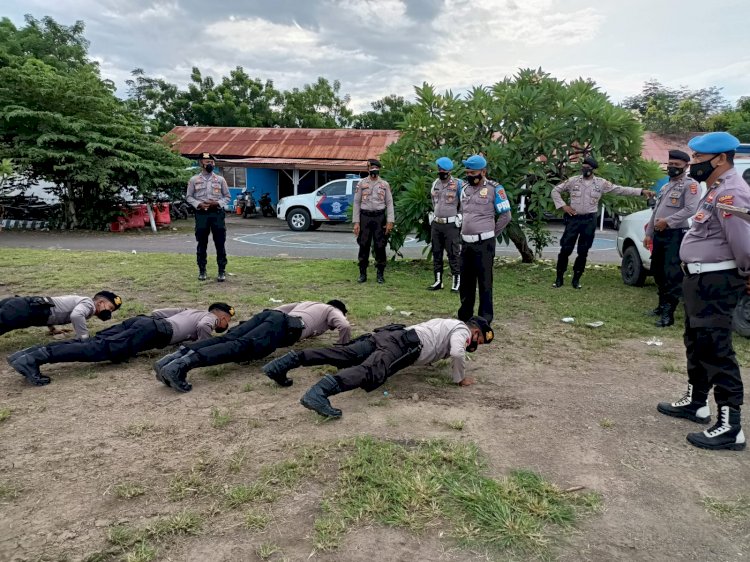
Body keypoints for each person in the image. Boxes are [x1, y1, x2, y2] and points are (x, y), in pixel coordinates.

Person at [657, 131, 750, 451]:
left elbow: (743, 242)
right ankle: (697, 403)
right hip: (698, 280)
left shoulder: (731, 193)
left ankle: (730, 425)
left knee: (716, 347)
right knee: (696, 342)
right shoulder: (715, 190)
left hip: (716, 281)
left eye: (698, 159)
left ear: (721, 158)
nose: (693, 163)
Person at [291, 316, 493, 418]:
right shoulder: (463, 331)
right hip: (403, 345)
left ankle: (285, 362)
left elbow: (434, 340)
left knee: (345, 354)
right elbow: (458, 352)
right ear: (475, 332)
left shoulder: (448, 322)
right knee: (370, 372)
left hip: (391, 335)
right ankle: (318, 393)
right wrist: (460, 378)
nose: (475, 345)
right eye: (480, 341)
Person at [7, 303, 234, 386]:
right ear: (222, 316)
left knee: (98, 342)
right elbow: (206, 326)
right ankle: (35, 358)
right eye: (227, 321)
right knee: (98, 349)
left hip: (145, 322)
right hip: (154, 331)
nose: (224, 324)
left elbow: (157, 312)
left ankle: (28, 353)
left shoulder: (190, 309)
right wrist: (202, 345)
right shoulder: (210, 318)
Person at [154, 300, 351, 392]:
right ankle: (182, 365)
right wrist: (342, 348)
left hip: (270, 316)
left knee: (227, 339)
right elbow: (344, 325)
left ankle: (173, 358)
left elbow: (278, 310)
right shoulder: (332, 310)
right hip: (283, 327)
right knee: (239, 348)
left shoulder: (309, 302)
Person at [551, 156, 655, 289]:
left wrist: (641, 191)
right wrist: (563, 206)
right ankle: (559, 278)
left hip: (589, 220)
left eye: (588, 168)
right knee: (565, 249)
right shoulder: (573, 181)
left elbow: (620, 189)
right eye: (583, 167)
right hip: (574, 219)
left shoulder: (600, 183)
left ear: (593, 169)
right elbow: (555, 190)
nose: (585, 169)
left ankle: (576, 279)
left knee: (583, 251)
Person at [643, 150, 701, 327]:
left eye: (677, 165)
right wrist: (649, 234)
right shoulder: (666, 186)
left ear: (686, 166)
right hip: (660, 235)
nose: (672, 168)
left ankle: (669, 314)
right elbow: (656, 213)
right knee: (658, 271)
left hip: (676, 235)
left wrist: (668, 222)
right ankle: (661, 306)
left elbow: (691, 209)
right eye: (670, 164)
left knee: (671, 274)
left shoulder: (691, 185)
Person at [457, 155, 511, 324]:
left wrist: (491, 233)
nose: (469, 175)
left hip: (484, 243)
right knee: (466, 281)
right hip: (466, 242)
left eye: (473, 172)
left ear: (483, 172)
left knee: (485, 281)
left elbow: (505, 216)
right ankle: (465, 315)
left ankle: (484, 317)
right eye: (467, 172)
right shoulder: (464, 188)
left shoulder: (495, 189)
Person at [0, 291, 122, 339]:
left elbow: (51, 308)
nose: (109, 312)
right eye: (110, 308)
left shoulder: (85, 304)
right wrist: (84, 337)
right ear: (100, 303)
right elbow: (76, 315)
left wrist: (53, 329)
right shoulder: (89, 305)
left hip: (24, 306)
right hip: (23, 310)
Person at [186, 152, 231, 282]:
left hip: (216, 214)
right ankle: (202, 270)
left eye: (211, 162)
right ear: (201, 163)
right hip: (201, 215)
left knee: (220, 243)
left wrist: (217, 203)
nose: (209, 164)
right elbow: (189, 197)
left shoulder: (220, 180)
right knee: (202, 243)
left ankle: (221, 271)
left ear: (214, 163)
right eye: (206, 162)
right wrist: (198, 204)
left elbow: (227, 196)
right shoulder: (194, 180)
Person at [352, 159, 394, 284]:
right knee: (363, 245)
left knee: (380, 245)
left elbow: (389, 203)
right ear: (368, 169)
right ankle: (362, 273)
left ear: (379, 169)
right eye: (372, 168)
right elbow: (356, 202)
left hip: (379, 217)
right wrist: (356, 222)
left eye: (376, 168)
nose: (374, 170)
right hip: (365, 217)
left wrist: (390, 221)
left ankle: (380, 274)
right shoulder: (361, 184)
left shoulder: (384, 184)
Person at [427, 157, 464, 292]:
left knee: (453, 253)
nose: (441, 172)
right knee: (437, 252)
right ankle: (438, 281)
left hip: (451, 224)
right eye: (440, 169)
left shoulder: (458, 184)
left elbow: (463, 203)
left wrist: (460, 217)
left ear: (449, 171)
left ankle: (457, 282)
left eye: (444, 170)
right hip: (437, 223)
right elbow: (433, 201)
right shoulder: (435, 183)